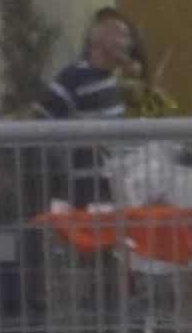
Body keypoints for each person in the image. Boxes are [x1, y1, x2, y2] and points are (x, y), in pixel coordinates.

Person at [36, 13, 131, 203]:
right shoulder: (73, 76)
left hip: (112, 178)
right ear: (103, 42)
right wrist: (78, 140)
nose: (129, 43)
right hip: (85, 184)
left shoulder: (110, 77)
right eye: (123, 36)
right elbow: (41, 119)